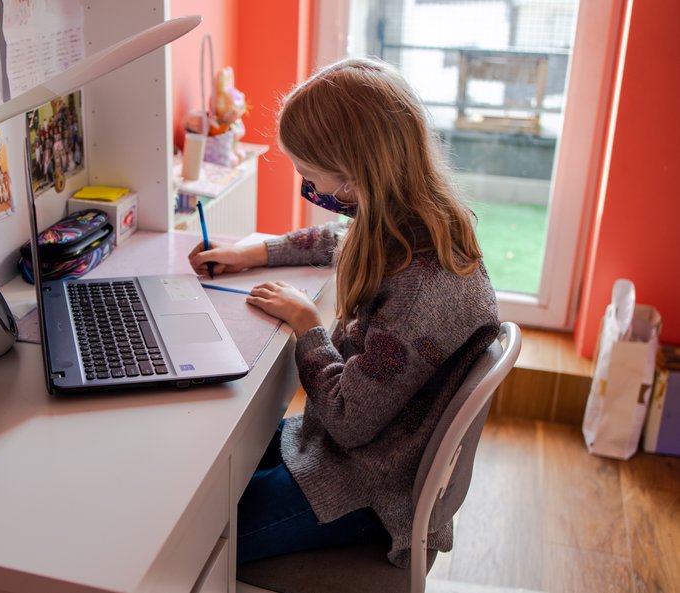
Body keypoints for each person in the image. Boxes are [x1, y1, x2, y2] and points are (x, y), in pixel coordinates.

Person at [188, 57, 500, 568]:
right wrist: (257, 251)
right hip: (352, 454)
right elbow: (340, 238)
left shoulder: (425, 297)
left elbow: (349, 421)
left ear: (356, 179)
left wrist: (308, 326)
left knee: (198, 539)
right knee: (209, 471)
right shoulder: (418, 221)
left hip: (367, 488)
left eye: (310, 175)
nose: (307, 187)